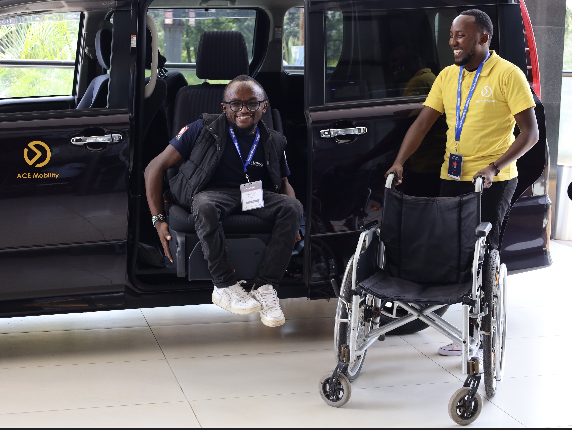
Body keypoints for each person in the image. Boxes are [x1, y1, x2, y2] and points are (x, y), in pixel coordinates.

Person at [385, 9, 539, 356]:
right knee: (449, 251)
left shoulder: (507, 74)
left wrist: (494, 166)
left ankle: (478, 330)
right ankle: (433, 316)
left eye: (461, 36)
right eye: (452, 35)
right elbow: (422, 124)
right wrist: (399, 161)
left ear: (484, 38)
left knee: (482, 257)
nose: (454, 42)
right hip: (451, 175)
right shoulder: (447, 77)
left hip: (492, 181)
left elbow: (530, 134)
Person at [144, 75, 303, 328]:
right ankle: (224, 285)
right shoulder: (201, 129)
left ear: (264, 106)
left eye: (252, 104)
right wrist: (157, 220)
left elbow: (284, 184)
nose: (243, 110)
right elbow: (154, 167)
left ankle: (265, 286)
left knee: (292, 207)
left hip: (252, 196)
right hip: (211, 194)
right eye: (235, 104)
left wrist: (294, 224)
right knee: (205, 204)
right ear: (224, 107)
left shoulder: (274, 139)